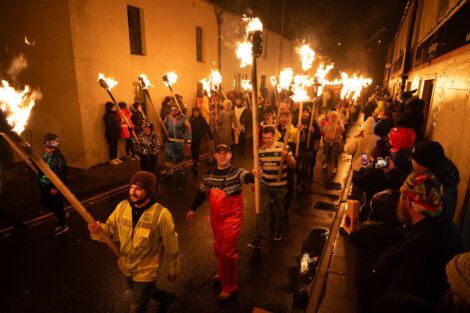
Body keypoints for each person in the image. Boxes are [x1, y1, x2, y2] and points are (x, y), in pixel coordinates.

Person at [367, 170, 462, 312]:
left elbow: (400, 300)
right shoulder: (449, 229)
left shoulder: (416, 248)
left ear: (409, 201)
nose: (398, 201)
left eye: (401, 195)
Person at [88, 171, 179, 313]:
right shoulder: (122, 207)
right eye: (131, 187)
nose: (132, 192)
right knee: (137, 289)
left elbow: (171, 245)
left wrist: (173, 269)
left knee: (137, 305)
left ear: (149, 192)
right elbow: (111, 230)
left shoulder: (162, 215)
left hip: (147, 270)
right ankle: (166, 298)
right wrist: (98, 230)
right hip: (126, 266)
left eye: (138, 189)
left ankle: (163, 298)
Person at [187, 144, 260, 300]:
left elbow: (246, 176)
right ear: (215, 156)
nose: (222, 156)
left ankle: (229, 286)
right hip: (216, 217)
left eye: (225, 153)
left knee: (227, 250)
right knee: (219, 247)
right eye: (219, 153)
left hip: (233, 217)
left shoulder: (236, 173)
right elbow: (201, 192)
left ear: (230, 155)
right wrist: (192, 208)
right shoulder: (209, 175)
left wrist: (254, 174)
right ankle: (223, 270)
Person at [249, 126, 296, 247]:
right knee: (261, 212)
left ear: (274, 136)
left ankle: (279, 231)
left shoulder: (283, 148)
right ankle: (257, 239)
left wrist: (287, 157)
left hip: (280, 187)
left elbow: (293, 166)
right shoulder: (261, 150)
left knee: (280, 211)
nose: (266, 140)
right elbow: (260, 167)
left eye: (269, 138)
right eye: (264, 138)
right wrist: (255, 177)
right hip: (265, 185)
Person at [411, 141, 460, 221]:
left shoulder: (431, 188)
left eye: (413, 158)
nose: (411, 160)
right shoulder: (443, 175)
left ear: (423, 163)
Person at [38, 133, 69, 236]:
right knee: (45, 203)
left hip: (53, 187)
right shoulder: (47, 155)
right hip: (46, 186)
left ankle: (62, 224)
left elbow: (61, 173)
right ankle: (62, 215)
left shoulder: (57, 157)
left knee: (56, 205)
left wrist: (55, 187)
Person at [344, 116, 381, 199]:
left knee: (356, 189)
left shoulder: (359, 138)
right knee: (367, 191)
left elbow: (348, 150)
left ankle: (354, 208)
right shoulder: (378, 139)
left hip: (358, 169)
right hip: (371, 168)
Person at [163, 104, 192, 180]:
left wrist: (189, 141)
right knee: (168, 158)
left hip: (179, 142)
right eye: (172, 110)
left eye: (175, 110)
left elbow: (189, 130)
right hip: (169, 141)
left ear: (178, 110)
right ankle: (169, 173)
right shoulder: (167, 117)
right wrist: (162, 124)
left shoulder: (184, 118)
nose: (173, 111)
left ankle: (182, 172)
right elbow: (164, 127)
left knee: (180, 158)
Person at [296, 105, 321, 191]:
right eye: (303, 112)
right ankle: (299, 177)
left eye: (306, 112)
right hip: (298, 148)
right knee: (296, 166)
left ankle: (303, 182)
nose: (304, 114)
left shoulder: (312, 123)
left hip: (308, 148)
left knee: (304, 167)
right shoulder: (298, 121)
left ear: (309, 114)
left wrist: (313, 131)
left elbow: (319, 136)